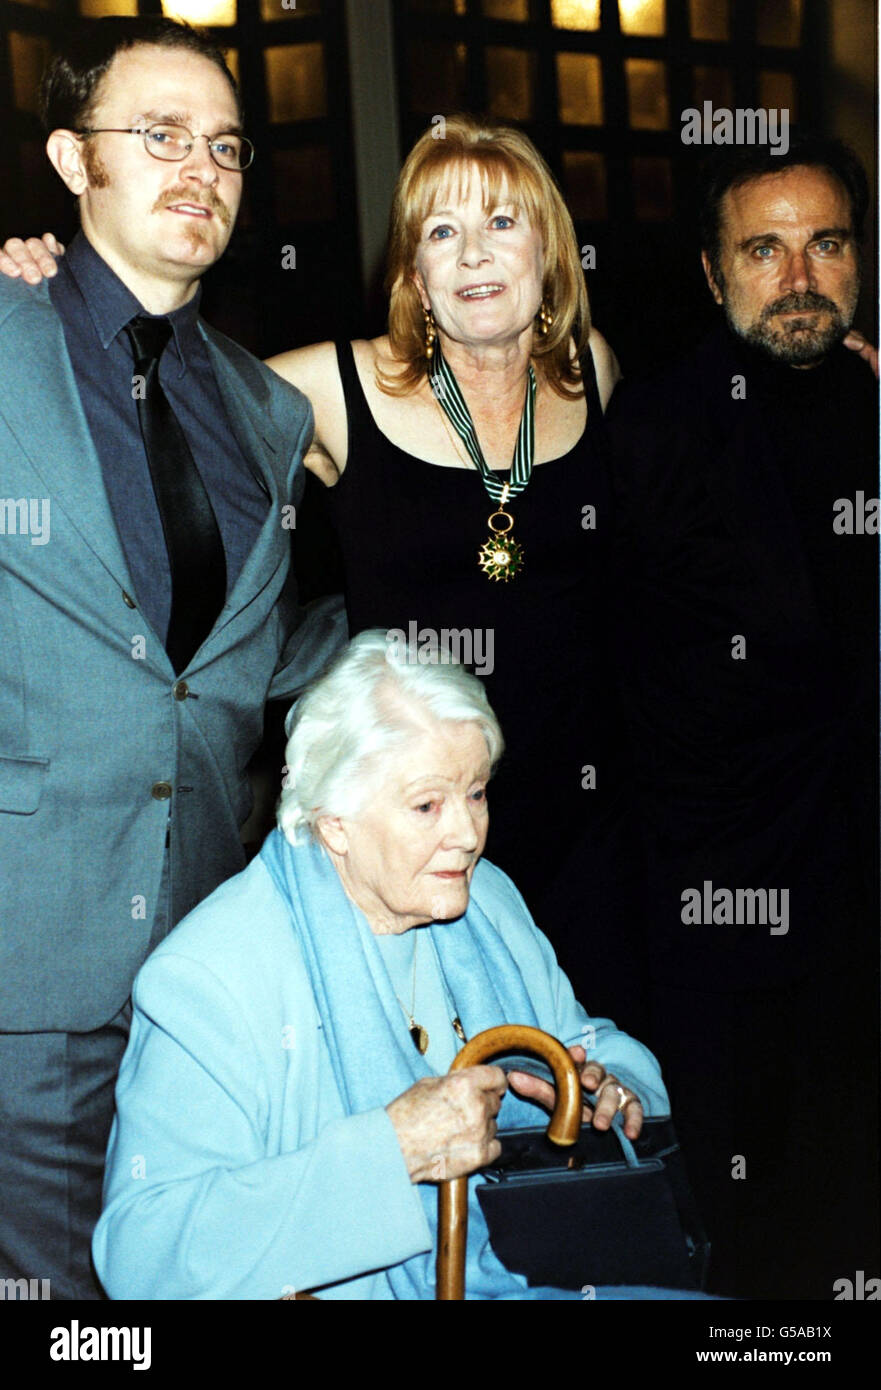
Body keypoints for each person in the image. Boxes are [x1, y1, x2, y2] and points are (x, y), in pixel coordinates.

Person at [1, 116, 641, 1032]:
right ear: (414, 272)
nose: (474, 255)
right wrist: (51, 289)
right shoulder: (334, 388)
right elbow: (159, 388)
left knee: (585, 1080)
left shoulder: (594, 371)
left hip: (586, 811)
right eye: (441, 232)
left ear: (549, 244)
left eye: (502, 222)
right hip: (409, 824)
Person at [0, 16, 343, 1300]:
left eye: (226, 146)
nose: (198, 166)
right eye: (155, 136)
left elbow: (270, 660)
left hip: (204, 964)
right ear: (69, 159)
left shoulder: (267, 409)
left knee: (181, 1281)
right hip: (20, 964)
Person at [91, 630, 701, 1301]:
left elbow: (581, 1038)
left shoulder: (485, 900)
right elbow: (143, 1256)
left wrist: (609, 1087)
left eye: (476, 793)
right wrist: (390, 1154)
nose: (467, 835)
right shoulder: (210, 976)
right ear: (334, 822)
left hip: (536, 1273)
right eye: (427, 805)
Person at [606, 134, 879, 1299]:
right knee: (746, 1222)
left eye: (823, 243)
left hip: (863, 887)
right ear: (712, 277)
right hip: (724, 899)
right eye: (760, 250)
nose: (798, 275)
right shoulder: (651, 430)